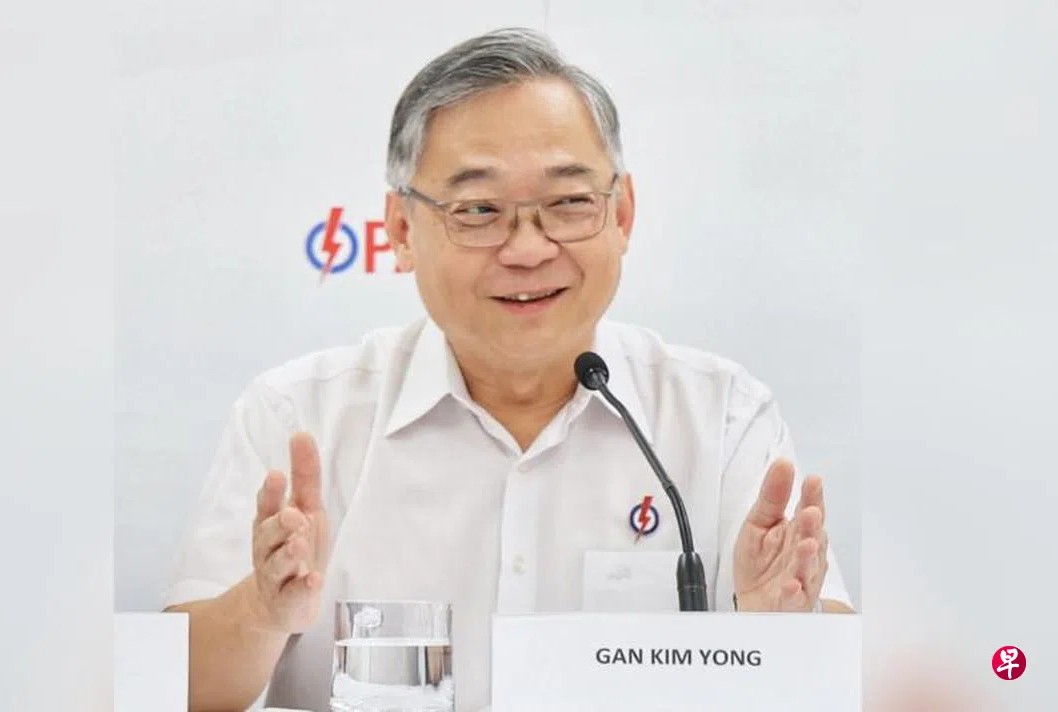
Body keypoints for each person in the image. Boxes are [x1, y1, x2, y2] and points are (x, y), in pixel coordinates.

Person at [163, 26, 855, 712]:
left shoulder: (721, 417)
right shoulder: (299, 420)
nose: (527, 250)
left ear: (622, 213)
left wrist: (782, 635)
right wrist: (260, 611)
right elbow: (176, 691)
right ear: (401, 231)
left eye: (569, 203)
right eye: (479, 211)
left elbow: (833, 679)